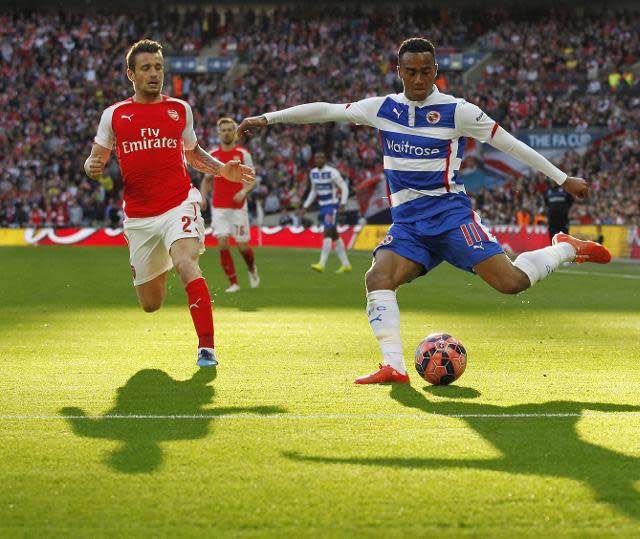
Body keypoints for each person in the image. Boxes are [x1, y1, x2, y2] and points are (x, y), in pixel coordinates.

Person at [238, 37, 610, 384]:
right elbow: (326, 111)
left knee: (511, 283)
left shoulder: (458, 111)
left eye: (426, 71)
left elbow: (511, 145)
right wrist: (268, 118)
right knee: (377, 279)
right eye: (411, 72)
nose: (418, 79)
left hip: (451, 217)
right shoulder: (382, 108)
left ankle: (565, 247)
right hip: (409, 224)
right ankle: (394, 366)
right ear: (399, 72)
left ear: (436, 72)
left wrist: (562, 179)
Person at [83, 39, 255, 367]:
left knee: (187, 262)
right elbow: (96, 158)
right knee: (151, 303)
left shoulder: (180, 109)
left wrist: (223, 171)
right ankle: (162, 257)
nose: (154, 74)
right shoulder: (115, 115)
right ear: (130, 74)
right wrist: (91, 166)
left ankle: (207, 348)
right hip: (140, 216)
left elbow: (193, 154)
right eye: (146, 68)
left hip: (180, 202)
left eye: (159, 67)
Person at [200, 117, 260, 293]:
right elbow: (206, 180)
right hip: (219, 208)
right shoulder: (213, 155)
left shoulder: (243, 154)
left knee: (242, 246)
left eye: (229, 130)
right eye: (223, 130)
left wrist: (243, 191)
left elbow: (252, 179)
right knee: (223, 242)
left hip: (238, 208)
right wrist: (203, 197)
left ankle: (251, 268)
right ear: (219, 133)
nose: (226, 132)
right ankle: (234, 283)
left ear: (235, 132)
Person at [299, 150, 352, 273]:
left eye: (321, 157)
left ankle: (321, 264)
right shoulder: (313, 173)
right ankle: (346, 264)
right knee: (335, 235)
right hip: (322, 207)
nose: (318, 160)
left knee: (327, 232)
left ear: (325, 160)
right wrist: (305, 206)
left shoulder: (332, 172)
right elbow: (313, 191)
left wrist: (343, 203)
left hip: (332, 206)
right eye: (316, 158)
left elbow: (344, 187)